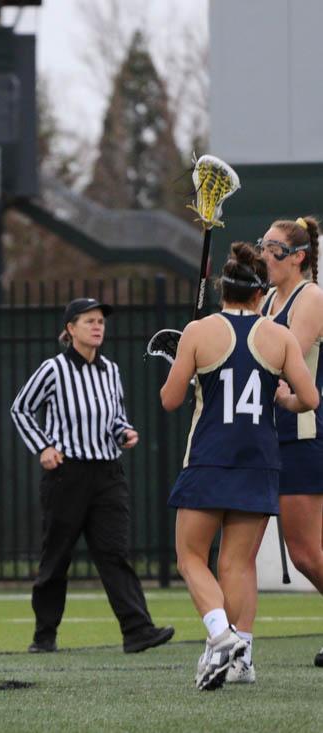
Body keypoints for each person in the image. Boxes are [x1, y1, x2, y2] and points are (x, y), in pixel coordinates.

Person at [161, 243, 318, 690]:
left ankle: (220, 634)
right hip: (259, 460)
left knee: (191, 557)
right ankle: (242, 657)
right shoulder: (279, 335)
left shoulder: (199, 330)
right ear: (258, 293)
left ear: (222, 289)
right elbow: (309, 398)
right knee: (239, 564)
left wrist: (186, 366)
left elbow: (170, 400)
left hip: (210, 457)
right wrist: (282, 397)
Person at [11, 298, 173, 655]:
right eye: (89, 321)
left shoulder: (110, 370)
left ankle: (137, 631)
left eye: (101, 321)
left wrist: (125, 432)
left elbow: (115, 417)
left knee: (114, 553)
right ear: (70, 329)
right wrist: (43, 447)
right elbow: (21, 407)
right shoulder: (53, 369)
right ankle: (44, 635)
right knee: (57, 556)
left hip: (107, 474)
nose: (98, 326)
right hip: (67, 476)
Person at [245, 216, 323, 675]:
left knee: (307, 552)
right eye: (263, 245)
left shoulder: (309, 297)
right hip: (268, 433)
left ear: (298, 257)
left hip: (302, 433)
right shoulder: (270, 297)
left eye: (274, 248)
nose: (265, 255)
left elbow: (281, 359)